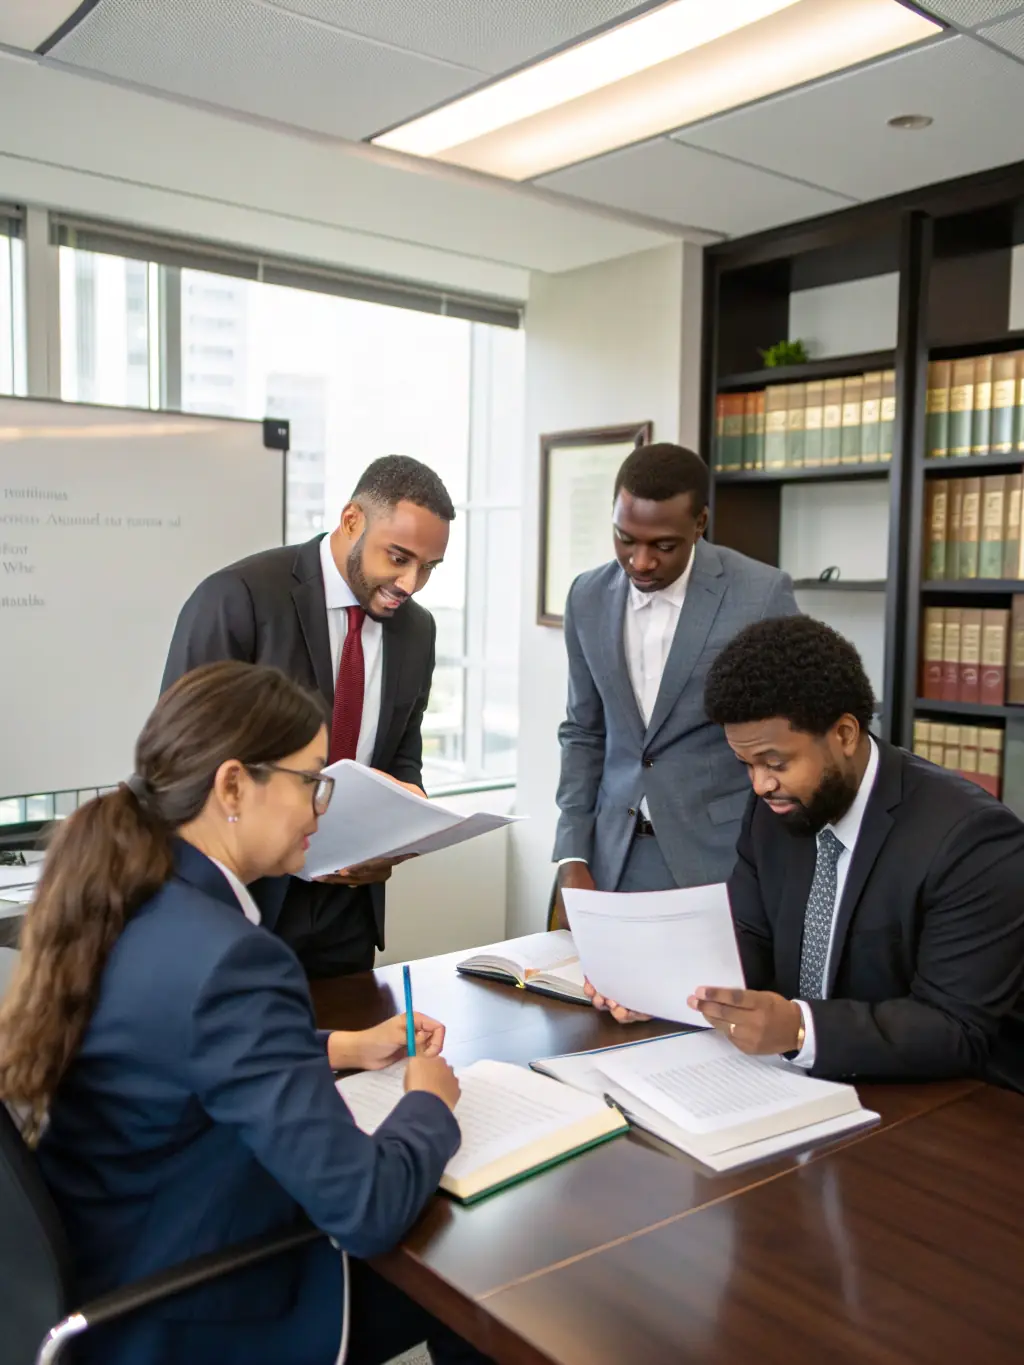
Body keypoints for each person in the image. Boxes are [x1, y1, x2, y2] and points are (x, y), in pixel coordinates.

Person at [0, 661, 490, 1365]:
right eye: (311, 780)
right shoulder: (232, 959)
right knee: (470, 1279)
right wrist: (427, 1103)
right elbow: (366, 1208)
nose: (321, 808)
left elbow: (172, 1046)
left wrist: (333, 1048)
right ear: (233, 784)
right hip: (193, 1309)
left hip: (107, 1267)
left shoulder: (121, 892)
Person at [589, 615, 1024, 1083]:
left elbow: (956, 1027)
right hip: (792, 1085)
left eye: (776, 763)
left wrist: (800, 1030)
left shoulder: (972, 841)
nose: (760, 784)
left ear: (844, 734)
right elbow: (748, 936)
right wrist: (660, 986)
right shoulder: (775, 808)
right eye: (746, 764)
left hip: (940, 1104)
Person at [162, 455, 455, 978]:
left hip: (348, 915)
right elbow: (177, 764)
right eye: (399, 557)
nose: (412, 583)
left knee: (356, 1057)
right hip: (240, 904)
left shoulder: (417, 631)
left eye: (429, 567)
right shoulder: (239, 598)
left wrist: (402, 833)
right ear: (351, 522)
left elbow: (402, 756)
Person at [554, 443, 798, 920]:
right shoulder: (586, 596)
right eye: (625, 539)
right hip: (610, 860)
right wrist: (572, 855)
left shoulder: (761, 594)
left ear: (699, 524)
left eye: (663, 545)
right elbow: (583, 733)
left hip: (720, 859)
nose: (640, 562)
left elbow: (791, 735)